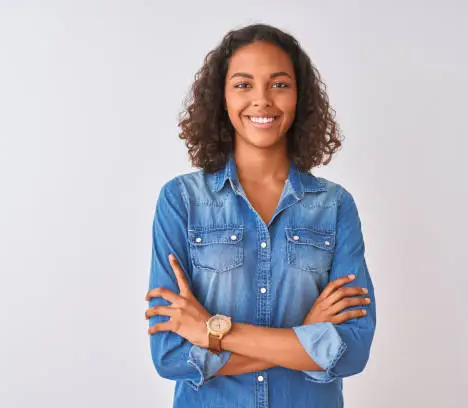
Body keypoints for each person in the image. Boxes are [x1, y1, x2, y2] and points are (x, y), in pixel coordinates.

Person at [144, 23, 376, 408]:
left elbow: (352, 350)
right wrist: (306, 336)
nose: (262, 100)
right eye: (243, 84)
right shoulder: (181, 201)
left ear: (300, 97)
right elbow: (170, 356)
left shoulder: (334, 206)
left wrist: (213, 332)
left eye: (279, 84)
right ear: (221, 97)